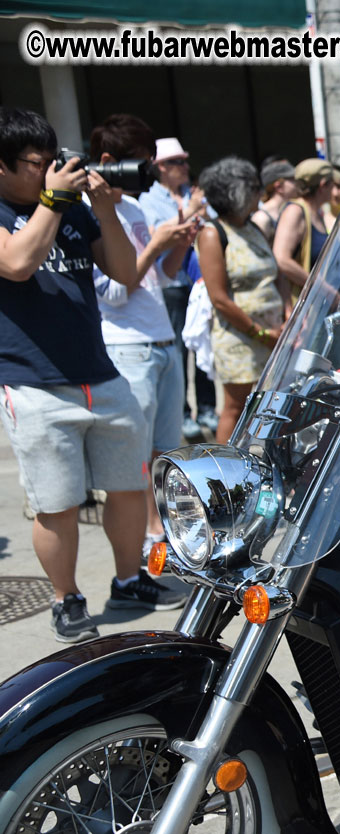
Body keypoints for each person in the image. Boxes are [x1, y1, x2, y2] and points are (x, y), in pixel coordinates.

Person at [0, 107, 187, 643]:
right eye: (37, 163)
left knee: (128, 487)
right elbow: (17, 263)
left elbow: (125, 273)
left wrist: (103, 211)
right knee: (56, 503)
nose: (51, 170)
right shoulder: (31, 208)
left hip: (101, 376)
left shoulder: (73, 210)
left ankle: (128, 581)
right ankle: (67, 598)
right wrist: (55, 199)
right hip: (34, 382)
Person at [87, 114, 199, 559]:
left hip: (160, 340)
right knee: (136, 453)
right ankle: (150, 538)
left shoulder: (131, 209)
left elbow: (163, 275)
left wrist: (181, 242)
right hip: (126, 345)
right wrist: (155, 244)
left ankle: (164, 531)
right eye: (140, 164)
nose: (146, 175)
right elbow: (114, 291)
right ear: (110, 161)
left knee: (166, 451)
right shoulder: (88, 212)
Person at [196, 156, 284, 440]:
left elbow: (274, 273)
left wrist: (284, 320)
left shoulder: (253, 227)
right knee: (236, 407)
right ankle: (224, 472)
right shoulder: (213, 233)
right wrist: (260, 333)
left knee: (268, 406)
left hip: (272, 334)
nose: (260, 194)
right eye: (254, 188)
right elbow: (219, 298)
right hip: (240, 337)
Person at [139, 136, 217, 437]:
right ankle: (184, 412)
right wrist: (190, 210)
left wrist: (199, 207)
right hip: (171, 281)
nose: (183, 167)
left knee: (203, 346)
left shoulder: (193, 193)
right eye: (176, 162)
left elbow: (212, 222)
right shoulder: (148, 200)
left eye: (185, 161)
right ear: (159, 167)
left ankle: (207, 407)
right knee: (179, 351)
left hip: (200, 280)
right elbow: (157, 235)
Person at [272, 157, 334, 306]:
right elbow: (281, 259)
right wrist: (321, 288)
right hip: (307, 309)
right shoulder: (295, 211)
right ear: (323, 185)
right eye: (333, 183)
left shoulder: (317, 213)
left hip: (324, 306)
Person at [251, 160, 299, 243]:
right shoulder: (261, 218)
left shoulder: (288, 210)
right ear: (279, 186)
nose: (297, 183)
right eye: (292, 179)